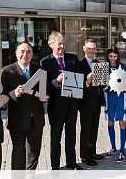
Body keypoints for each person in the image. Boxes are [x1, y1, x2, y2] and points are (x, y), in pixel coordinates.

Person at [1, 42, 47, 170]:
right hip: (17, 119)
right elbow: (3, 94)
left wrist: (44, 97)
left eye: (28, 52)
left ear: (32, 54)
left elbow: (45, 90)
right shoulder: (6, 71)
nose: (25, 54)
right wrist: (15, 93)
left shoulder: (40, 70)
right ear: (16, 53)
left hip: (36, 119)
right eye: (22, 51)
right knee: (18, 152)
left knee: (34, 151)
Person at [40, 31, 82, 170]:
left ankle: (71, 163)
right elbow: (44, 86)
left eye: (64, 44)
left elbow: (79, 79)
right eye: (59, 44)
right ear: (51, 45)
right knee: (55, 139)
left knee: (71, 136)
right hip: (56, 107)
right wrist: (56, 81)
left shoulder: (73, 58)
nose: (62, 46)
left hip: (71, 106)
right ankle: (55, 167)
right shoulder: (45, 62)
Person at [79, 39, 105, 166]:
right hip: (85, 103)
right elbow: (79, 86)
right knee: (85, 130)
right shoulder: (79, 64)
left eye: (93, 48)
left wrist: (106, 79)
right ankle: (85, 156)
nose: (91, 51)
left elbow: (102, 84)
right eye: (89, 48)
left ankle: (92, 152)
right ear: (84, 48)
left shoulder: (98, 63)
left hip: (96, 102)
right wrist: (87, 82)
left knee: (94, 129)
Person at [104, 47, 126, 163]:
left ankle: (122, 151)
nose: (113, 59)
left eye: (115, 56)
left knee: (122, 122)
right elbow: (100, 85)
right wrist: (106, 80)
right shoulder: (104, 68)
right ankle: (113, 147)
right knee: (110, 121)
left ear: (118, 56)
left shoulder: (123, 67)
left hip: (121, 97)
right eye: (111, 56)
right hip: (109, 97)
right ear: (107, 57)